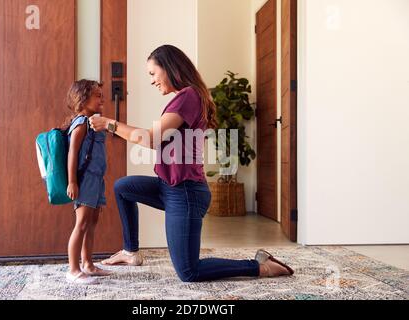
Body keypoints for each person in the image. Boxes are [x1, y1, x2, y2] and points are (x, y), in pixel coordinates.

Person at [89, 45, 294, 282]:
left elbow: (151, 138)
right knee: (123, 187)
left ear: (169, 68)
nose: (152, 81)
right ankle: (130, 251)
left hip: (185, 193)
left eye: (153, 73)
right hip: (169, 187)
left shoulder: (189, 96)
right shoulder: (186, 97)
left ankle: (261, 267)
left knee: (189, 271)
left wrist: (109, 124)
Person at [65, 80, 111, 284]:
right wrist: (72, 182)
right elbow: (73, 153)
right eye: (97, 95)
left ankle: (88, 264)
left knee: (92, 223)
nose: (102, 99)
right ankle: (73, 269)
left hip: (97, 179)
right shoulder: (81, 123)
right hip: (85, 180)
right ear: (83, 99)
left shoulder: (93, 122)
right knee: (81, 223)